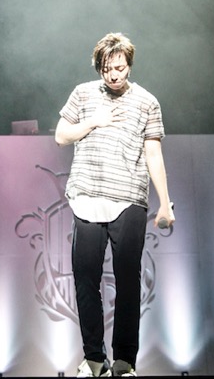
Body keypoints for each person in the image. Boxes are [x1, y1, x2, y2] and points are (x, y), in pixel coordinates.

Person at [55, 32, 175, 379]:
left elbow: (153, 153)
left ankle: (124, 361)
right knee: (85, 279)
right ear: (99, 67)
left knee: (127, 281)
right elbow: (61, 135)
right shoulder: (83, 94)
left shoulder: (147, 102)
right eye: (107, 69)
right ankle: (94, 358)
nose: (113, 75)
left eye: (119, 68)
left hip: (129, 199)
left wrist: (164, 204)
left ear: (129, 65)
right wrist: (93, 121)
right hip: (87, 196)